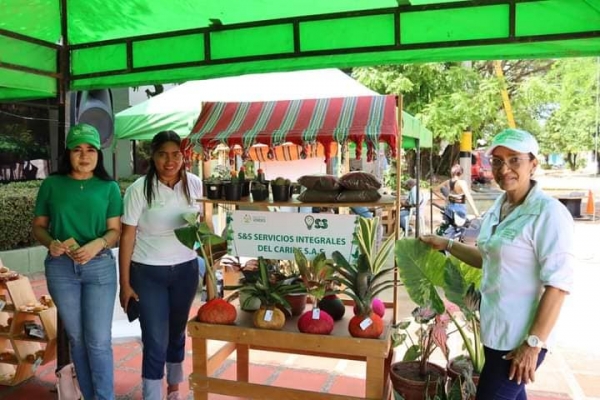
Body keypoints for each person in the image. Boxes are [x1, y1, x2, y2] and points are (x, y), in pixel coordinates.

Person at [420, 129, 574, 399]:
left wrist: (533, 344)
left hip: (520, 340)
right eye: (498, 161)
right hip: (495, 332)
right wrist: (447, 245)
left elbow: (558, 285)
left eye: (515, 160)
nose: (505, 169)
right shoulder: (499, 206)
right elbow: (487, 258)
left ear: (533, 164)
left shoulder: (548, 214)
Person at [32, 123, 122, 400]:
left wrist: (97, 244)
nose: (85, 155)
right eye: (77, 149)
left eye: (91, 149)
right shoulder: (51, 185)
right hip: (61, 269)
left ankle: (104, 397)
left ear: (99, 154)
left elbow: (115, 231)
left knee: (98, 341)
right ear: (68, 154)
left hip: (99, 268)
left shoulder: (109, 188)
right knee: (78, 340)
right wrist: (52, 243)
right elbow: (38, 227)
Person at [119, 131, 204, 400]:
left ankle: (174, 388)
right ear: (152, 156)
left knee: (177, 333)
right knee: (155, 338)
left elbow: (202, 228)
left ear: (184, 155)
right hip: (147, 273)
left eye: (176, 154)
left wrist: (212, 275)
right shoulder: (138, 189)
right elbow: (127, 235)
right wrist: (125, 284)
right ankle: (152, 394)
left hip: (186, 271)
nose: (170, 161)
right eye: (163, 154)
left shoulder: (195, 184)